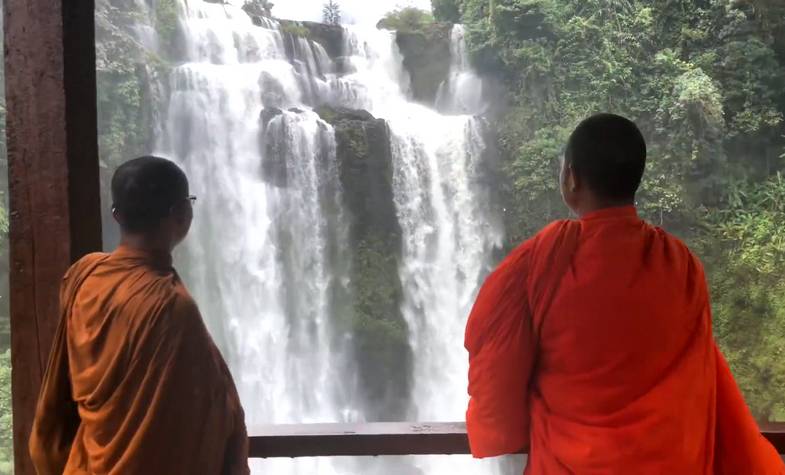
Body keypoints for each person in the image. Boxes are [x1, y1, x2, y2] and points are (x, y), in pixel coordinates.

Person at [464, 114, 785, 474]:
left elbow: (493, 358)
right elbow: (699, 374)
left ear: (571, 177)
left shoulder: (539, 262)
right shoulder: (681, 264)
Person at [29, 156, 249, 474]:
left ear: (116, 215)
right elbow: (208, 412)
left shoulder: (83, 275)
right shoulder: (172, 307)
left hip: (85, 464)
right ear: (182, 213)